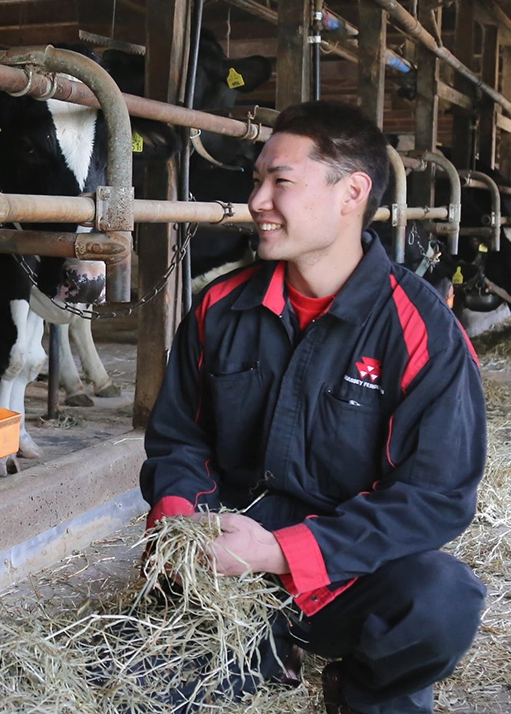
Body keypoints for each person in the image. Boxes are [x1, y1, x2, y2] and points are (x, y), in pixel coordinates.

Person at [140, 100, 487, 713]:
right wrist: (185, 532)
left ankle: (364, 684)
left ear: (352, 191)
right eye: (257, 180)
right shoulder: (219, 308)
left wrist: (280, 551)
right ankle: (257, 653)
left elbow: (435, 497)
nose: (257, 201)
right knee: (141, 691)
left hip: (345, 571)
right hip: (224, 567)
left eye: (281, 182)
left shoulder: (422, 330)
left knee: (441, 599)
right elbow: (177, 441)